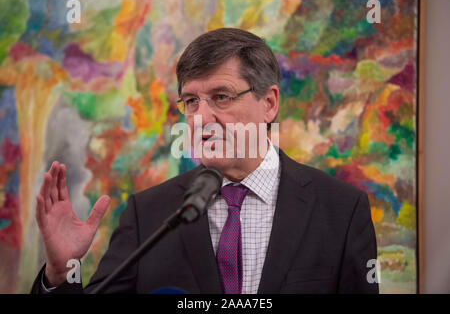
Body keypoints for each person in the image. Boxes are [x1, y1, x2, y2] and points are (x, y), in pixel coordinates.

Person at [30, 28, 378, 294]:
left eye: (221, 97)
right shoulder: (148, 214)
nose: (200, 118)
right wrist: (61, 274)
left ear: (269, 103)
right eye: (191, 101)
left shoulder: (342, 209)